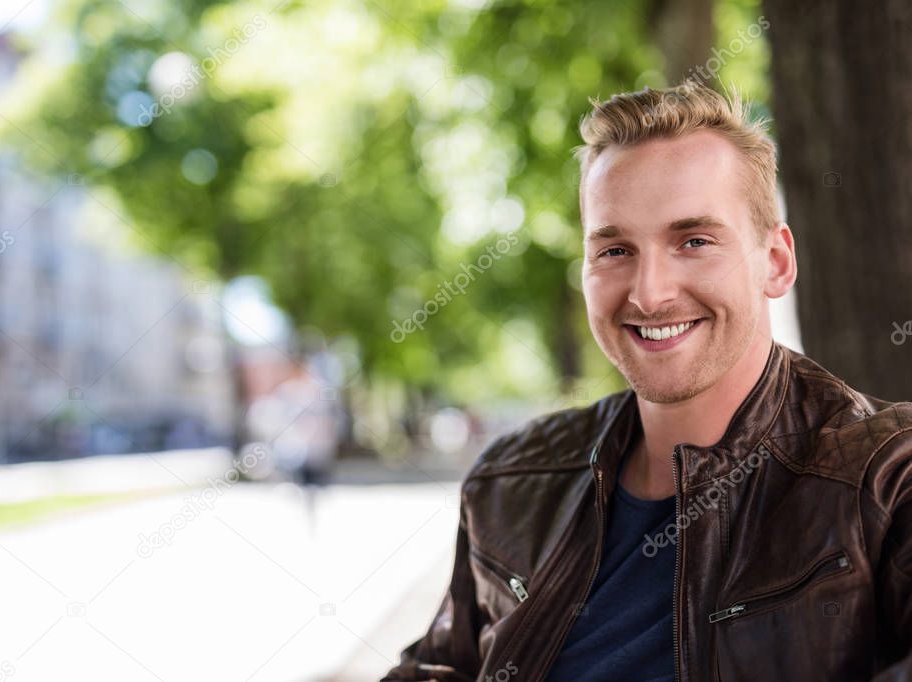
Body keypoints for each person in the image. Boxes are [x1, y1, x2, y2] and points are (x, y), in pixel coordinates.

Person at [381, 81, 912, 681]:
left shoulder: (889, 476)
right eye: (614, 250)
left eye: (694, 241)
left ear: (776, 261)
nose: (649, 293)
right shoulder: (511, 481)